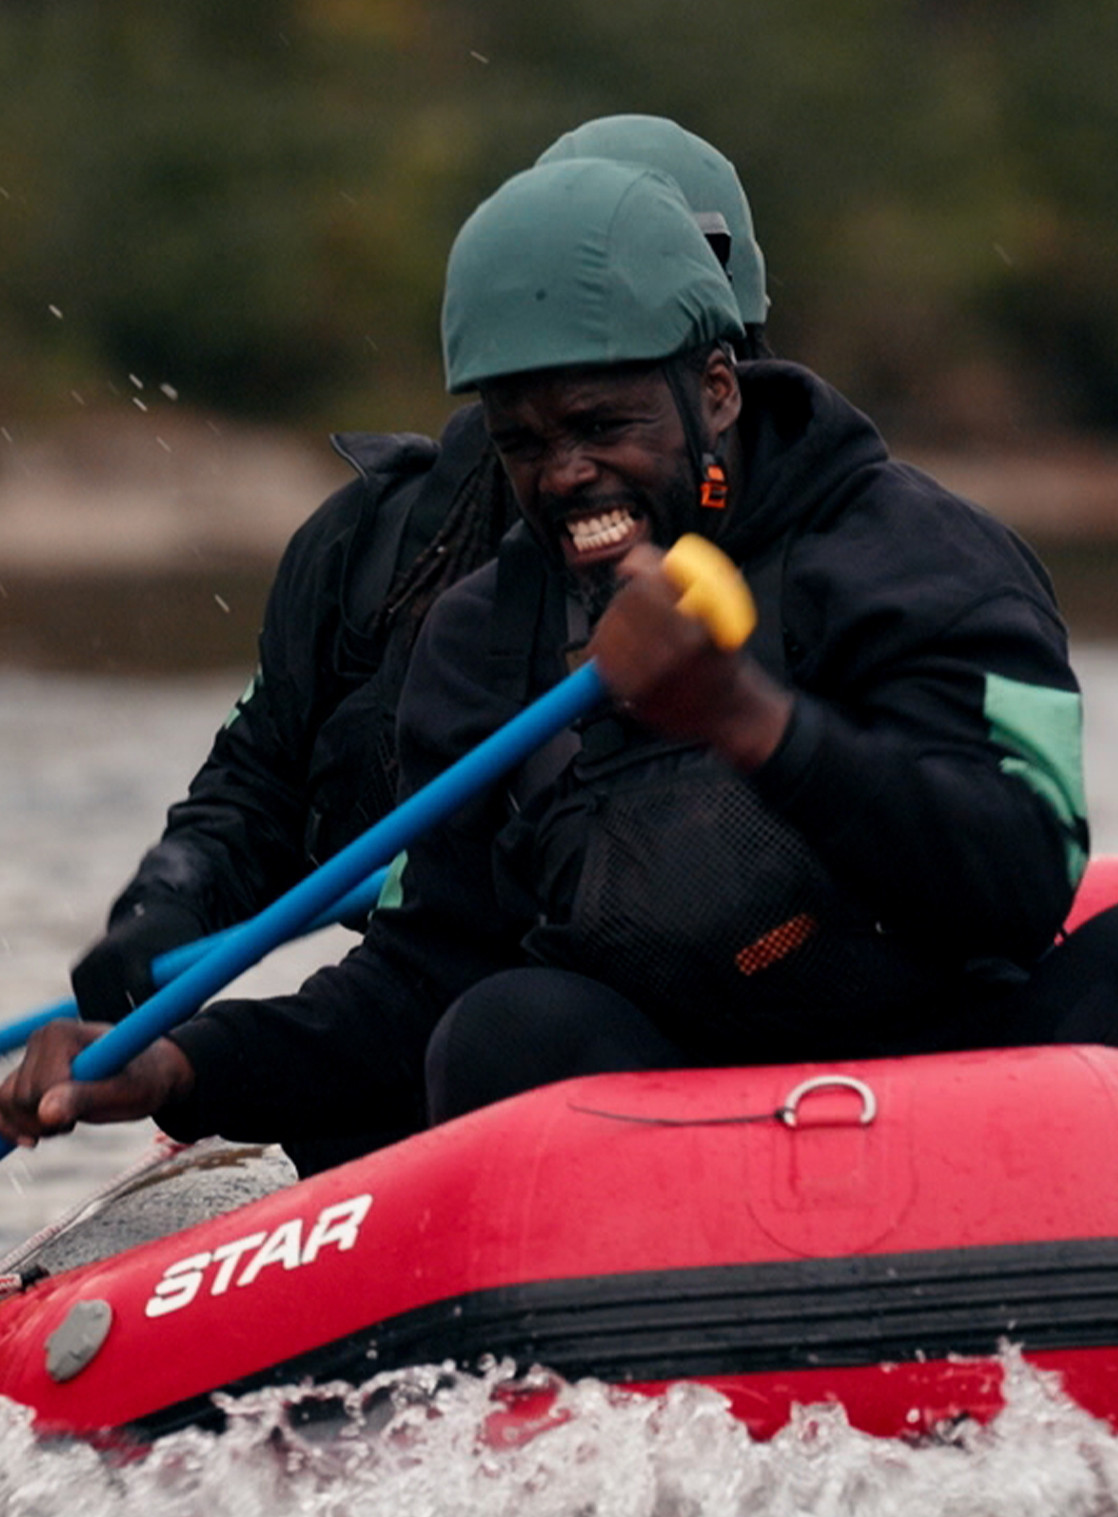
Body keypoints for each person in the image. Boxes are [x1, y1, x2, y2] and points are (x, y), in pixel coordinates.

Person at [6, 158, 1118, 1162]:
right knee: (501, 1031)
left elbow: (1012, 879)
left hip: (959, 1052)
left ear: (717, 389)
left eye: (604, 426)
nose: (565, 475)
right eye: (525, 441)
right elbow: (421, 976)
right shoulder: (482, 637)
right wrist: (179, 1067)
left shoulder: (921, 553)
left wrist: (747, 721)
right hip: (674, 1120)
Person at [67, 116, 772, 1024]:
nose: (574, 463)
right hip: (421, 1025)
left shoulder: (839, 545)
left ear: (722, 372)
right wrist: (167, 905)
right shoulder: (370, 548)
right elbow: (256, 780)